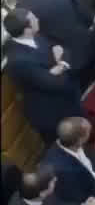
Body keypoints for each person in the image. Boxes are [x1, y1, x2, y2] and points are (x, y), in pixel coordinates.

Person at [2, 8, 87, 144]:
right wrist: (62, 64)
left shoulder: (36, 36)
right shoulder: (18, 61)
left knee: (84, 138)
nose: (37, 19)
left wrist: (59, 66)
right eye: (33, 19)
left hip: (69, 102)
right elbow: (54, 83)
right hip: (54, 116)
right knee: (68, 148)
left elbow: (61, 48)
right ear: (27, 29)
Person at [42, 117, 95, 205]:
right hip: (91, 194)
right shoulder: (66, 172)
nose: (91, 132)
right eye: (89, 131)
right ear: (80, 140)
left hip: (92, 174)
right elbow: (82, 197)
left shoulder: (66, 141)